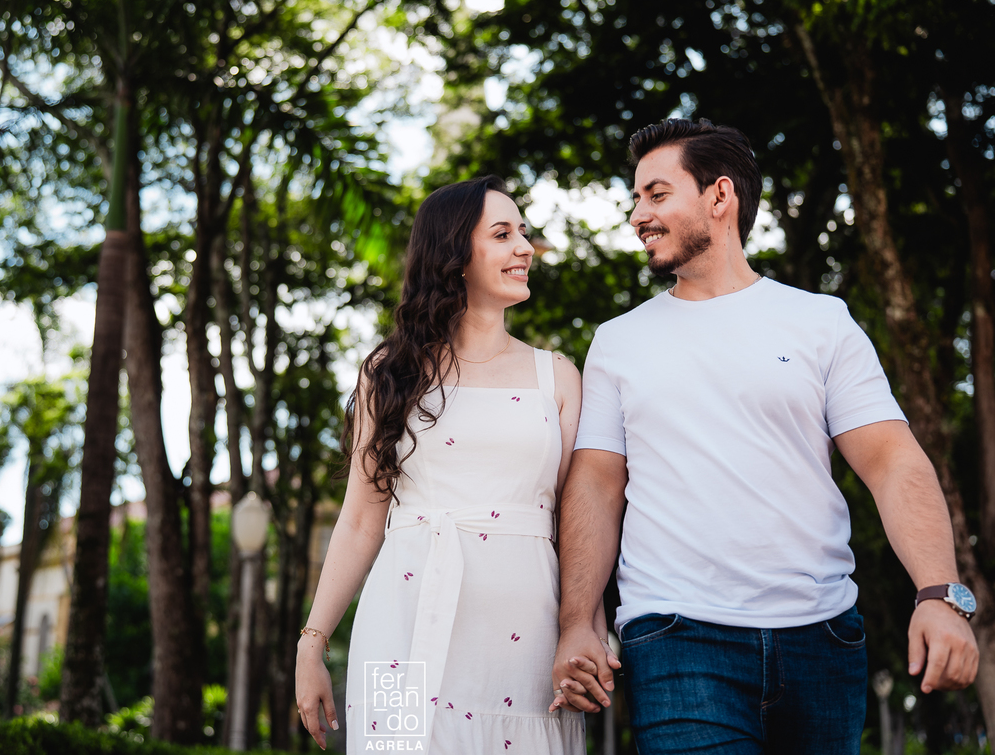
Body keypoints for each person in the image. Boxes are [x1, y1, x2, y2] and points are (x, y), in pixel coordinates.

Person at [548, 118, 979, 753]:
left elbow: (892, 463)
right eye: (635, 197)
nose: (638, 214)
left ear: (719, 197)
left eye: (657, 194)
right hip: (675, 636)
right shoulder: (619, 341)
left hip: (824, 640)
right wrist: (577, 623)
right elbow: (597, 483)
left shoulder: (820, 322)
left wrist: (941, 594)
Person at [295, 176, 598, 753]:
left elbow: (577, 521)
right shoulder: (389, 373)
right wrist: (313, 643)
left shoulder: (555, 376)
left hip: (526, 640)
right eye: (503, 234)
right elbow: (361, 519)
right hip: (400, 624)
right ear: (455, 255)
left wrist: (587, 629)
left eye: (524, 233)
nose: (525, 248)